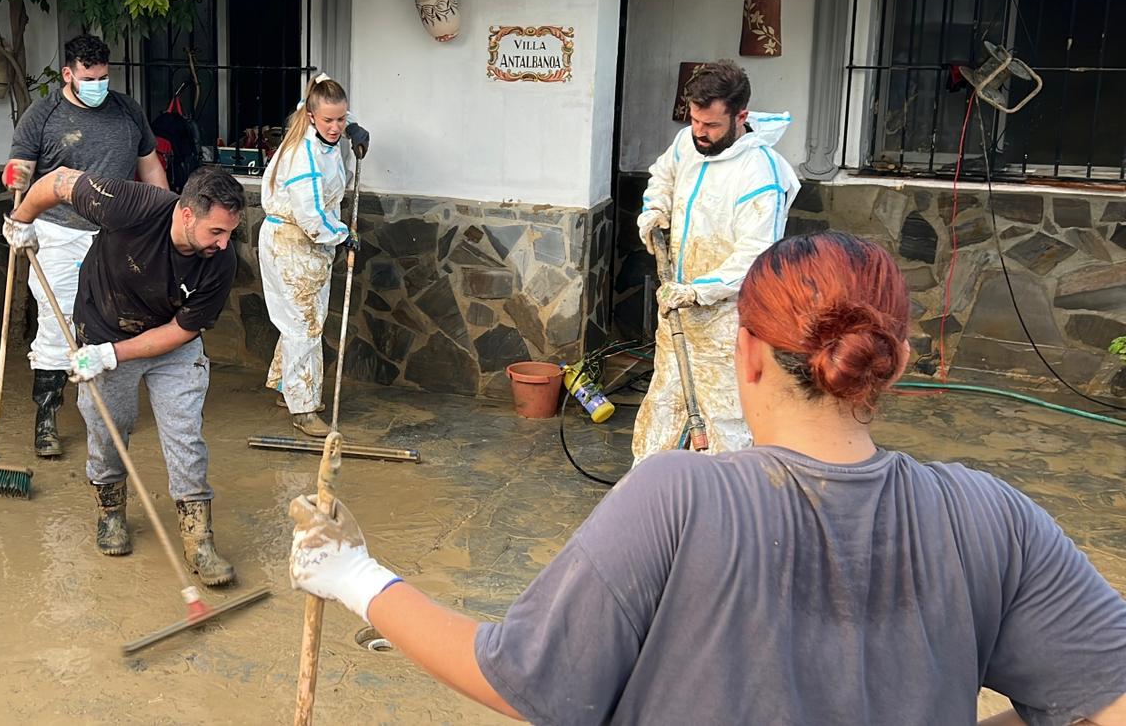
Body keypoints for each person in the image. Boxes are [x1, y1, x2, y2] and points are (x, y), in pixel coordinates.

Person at [287, 231, 1126, 725]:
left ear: (748, 353)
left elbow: (524, 677)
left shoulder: (672, 496)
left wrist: (357, 576)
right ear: (896, 363)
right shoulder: (992, 515)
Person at [3, 166, 243, 586]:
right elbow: (58, 181)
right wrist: (21, 220)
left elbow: (183, 331)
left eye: (228, 233)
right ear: (187, 215)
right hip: (103, 327)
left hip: (171, 348)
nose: (224, 244)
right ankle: (111, 514)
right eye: (217, 231)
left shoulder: (219, 262)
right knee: (107, 427)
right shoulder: (130, 204)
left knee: (185, 434)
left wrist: (112, 356)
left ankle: (198, 539)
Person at [5, 34, 168, 459]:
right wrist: (17, 203)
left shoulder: (126, 109)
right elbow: (20, 168)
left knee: (116, 319)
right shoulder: (43, 115)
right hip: (59, 232)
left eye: (104, 76)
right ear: (68, 73)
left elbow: (150, 167)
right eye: (89, 77)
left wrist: (164, 217)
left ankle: (109, 409)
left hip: (117, 232)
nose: (98, 83)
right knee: (57, 323)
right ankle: (46, 417)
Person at [632, 60, 800, 460]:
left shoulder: (762, 174)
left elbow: (755, 257)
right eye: (694, 121)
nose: (699, 133)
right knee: (664, 404)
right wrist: (656, 208)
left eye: (711, 126)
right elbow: (663, 175)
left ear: (740, 116)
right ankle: (648, 495)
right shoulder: (687, 142)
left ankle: (722, 507)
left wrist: (697, 291)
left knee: (724, 419)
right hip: (677, 309)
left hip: (728, 322)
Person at [259, 74, 370, 437]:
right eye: (329, 120)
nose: (336, 126)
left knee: (298, 319)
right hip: (295, 242)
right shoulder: (302, 155)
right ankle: (303, 408)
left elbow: (324, 104)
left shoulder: (321, 134)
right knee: (304, 326)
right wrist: (344, 235)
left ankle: (282, 385)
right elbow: (312, 217)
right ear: (310, 117)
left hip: (305, 244)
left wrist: (354, 129)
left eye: (342, 118)